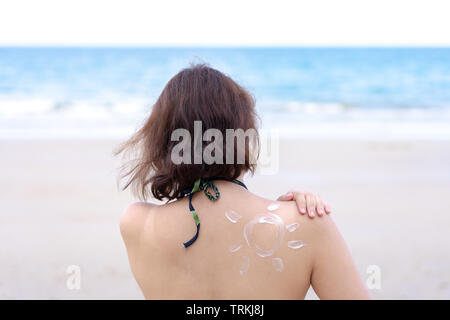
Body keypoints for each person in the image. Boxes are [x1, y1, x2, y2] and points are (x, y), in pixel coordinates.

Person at [116, 64, 370, 299]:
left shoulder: (137, 224)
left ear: (163, 141)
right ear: (241, 138)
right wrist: (290, 214)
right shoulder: (309, 224)